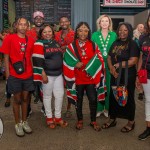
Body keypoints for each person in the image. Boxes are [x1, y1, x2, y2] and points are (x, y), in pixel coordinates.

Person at [63, 22, 106, 131]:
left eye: (86, 30)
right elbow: (67, 58)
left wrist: (91, 69)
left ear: (88, 32)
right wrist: (75, 63)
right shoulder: (71, 46)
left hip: (90, 78)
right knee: (79, 99)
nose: (83, 33)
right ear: (76, 32)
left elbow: (100, 58)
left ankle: (93, 121)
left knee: (92, 99)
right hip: (77, 79)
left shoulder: (93, 45)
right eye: (80, 30)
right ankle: (80, 120)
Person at [102, 22, 139, 133]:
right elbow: (109, 57)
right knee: (113, 97)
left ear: (129, 31)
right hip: (115, 74)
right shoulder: (115, 42)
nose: (122, 32)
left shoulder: (132, 44)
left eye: (125, 30)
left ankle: (131, 122)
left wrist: (118, 65)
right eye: (120, 30)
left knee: (128, 98)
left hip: (127, 75)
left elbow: (133, 61)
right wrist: (111, 69)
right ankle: (112, 119)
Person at [1, 17, 34, 137]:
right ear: (16, 26)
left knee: (26, 99)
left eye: (25, 24)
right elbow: (5, 57)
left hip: (28, 74)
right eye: (21, 24)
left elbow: (30, 57)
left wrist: (33, 71)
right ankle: (17, 124)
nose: (23, 26)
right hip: (15, 75)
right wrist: (8, 75)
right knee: (17, 99)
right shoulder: (9, 38)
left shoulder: (31, 40)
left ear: (28, 27)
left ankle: (24, 122)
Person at [32, 24, 68, 129]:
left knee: (60, 95)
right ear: (41, 34)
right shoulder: (39, 43)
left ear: (53, 32)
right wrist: (42, 74)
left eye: (49, 31)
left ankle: (57, 117)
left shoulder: (55, 43)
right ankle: (49, 118)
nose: (47, 34)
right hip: (47, 74)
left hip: (58, 74)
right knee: (47, 96)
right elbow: (37, 60)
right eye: (45, 32)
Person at [92, 15, 117, 118]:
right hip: (98, 64)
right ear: (99, 23)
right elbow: (92, 50)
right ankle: (99, 108)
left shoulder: (114, 35)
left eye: (107, 21)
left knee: (109, 87)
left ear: (109, 23)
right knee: (98, 86)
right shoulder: (95, 35)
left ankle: (107, 108)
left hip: (110, 64)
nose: (105, 23)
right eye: (102, 21)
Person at [26, 11, 45, 118]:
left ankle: (44, 107)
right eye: (36, 18)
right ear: (33, 20)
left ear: (43, 19)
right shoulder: (28, 32)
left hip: (43, 65)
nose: (38, 20)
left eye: (40, 18)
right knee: (29, 89)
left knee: (44, 88)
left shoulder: (46, 31)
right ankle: (28, 109)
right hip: (30, 64)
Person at [55, 16, 75, 118]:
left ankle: (68, 108)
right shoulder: (56, 34)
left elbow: (77, 45)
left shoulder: (74, 34)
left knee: (69, 86)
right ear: (59, 23)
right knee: (58, 86)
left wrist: (66, 47)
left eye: (65, 21)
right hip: (58, 63)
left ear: (69, 22)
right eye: (61, 22)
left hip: (70, 63)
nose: (63, 23)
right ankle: (57, 108)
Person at [136, 14, 150, 140]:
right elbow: (141, 57)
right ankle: (148, 128)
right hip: (146, 74)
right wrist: (138, 75)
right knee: (148, 101)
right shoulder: (143, 37)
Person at [133, 23, 145, 101]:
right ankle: (140, 91)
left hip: (144, 57)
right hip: (136, 57)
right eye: (140, 27)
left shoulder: (145, 36)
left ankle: (142, 91)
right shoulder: (134, 37)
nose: (141, 28)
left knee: (143, 74)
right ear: (137, 28)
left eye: (143, 27)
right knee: (137, 73)